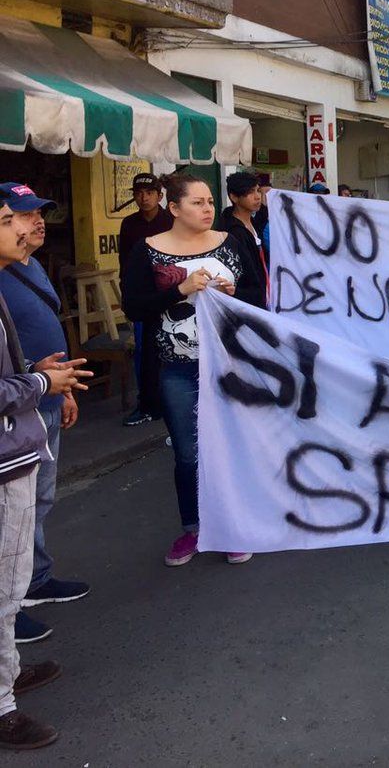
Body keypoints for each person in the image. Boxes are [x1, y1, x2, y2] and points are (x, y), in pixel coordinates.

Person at [121, 174, 252, 568]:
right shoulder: (148, 251)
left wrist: (233, 295)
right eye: (197, 202)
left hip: (231, 365)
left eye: (210, 201)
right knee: (187, 454)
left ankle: (232, 525)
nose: (208, 208)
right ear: (174, 208)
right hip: (178, 368)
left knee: (232, 447)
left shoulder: (230, 243)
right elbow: (135, 308)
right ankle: (193, 529)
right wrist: (179, 291)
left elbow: (259, 296)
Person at [0, 195, 90, 751]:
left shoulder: (14, 276)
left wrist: (35, 373)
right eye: (7, 219)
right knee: (4, 585)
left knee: (9, 585)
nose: (23, 227)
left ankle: (6, 674)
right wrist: (38, 386)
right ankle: (3, 706)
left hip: (16, 450)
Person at [117, 173, 173, 428]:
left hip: (173, 293)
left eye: (149, 192)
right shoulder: (129, 224)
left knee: (174, 350)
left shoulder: (172, 220)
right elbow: (125, 264)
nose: (144, 197)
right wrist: (127, 297)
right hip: (143, 296)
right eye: (139, 193)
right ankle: (147, 404)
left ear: (159, 196)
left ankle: (174, 403)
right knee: (144, 352)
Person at [214, 172, 269, 310]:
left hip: (263, 295)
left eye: (258, 190)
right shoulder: (232, 232)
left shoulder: (255, 222)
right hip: (245, 303)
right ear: (234, 197)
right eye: (250, 192)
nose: (257, 196)